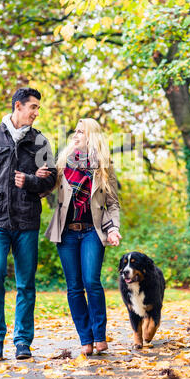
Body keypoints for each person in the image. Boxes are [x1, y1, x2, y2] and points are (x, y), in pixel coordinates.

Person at [0, 87, 57, 360]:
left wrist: (32, 180)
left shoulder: (41, 141)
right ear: (18, 106)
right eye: (33, 107)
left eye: (38, 108)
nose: (36, 113)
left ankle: (22, 342)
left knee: (26, 283)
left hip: (27, 220)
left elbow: (52, 180)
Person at [42, 118, 121, 355]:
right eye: (75, 131)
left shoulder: (104, 167)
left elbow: (113, 203)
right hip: (66, 233)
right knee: (74, 287)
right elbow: (45, 187)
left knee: (91, 282)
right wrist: (33, 182)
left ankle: (99, 336)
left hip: (92, 232)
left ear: (92, 137)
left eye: (81, 132)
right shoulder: (63, 163)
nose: (75, 135)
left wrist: (114, 228)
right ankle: (85, 340)